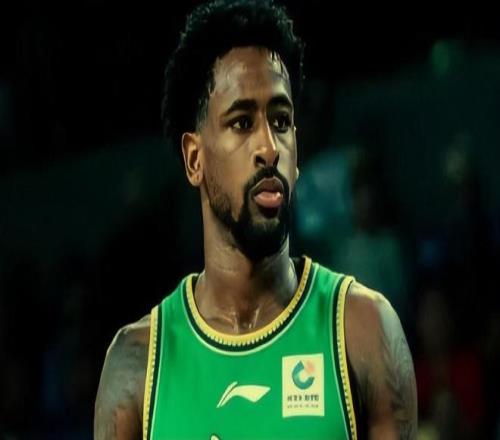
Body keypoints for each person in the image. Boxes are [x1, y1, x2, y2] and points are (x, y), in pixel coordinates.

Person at [94, 1, 417, 438]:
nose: (268, 147)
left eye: (281, 121)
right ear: (194, 159)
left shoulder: (363, 331)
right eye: (242, 122)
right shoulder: (137, 364)